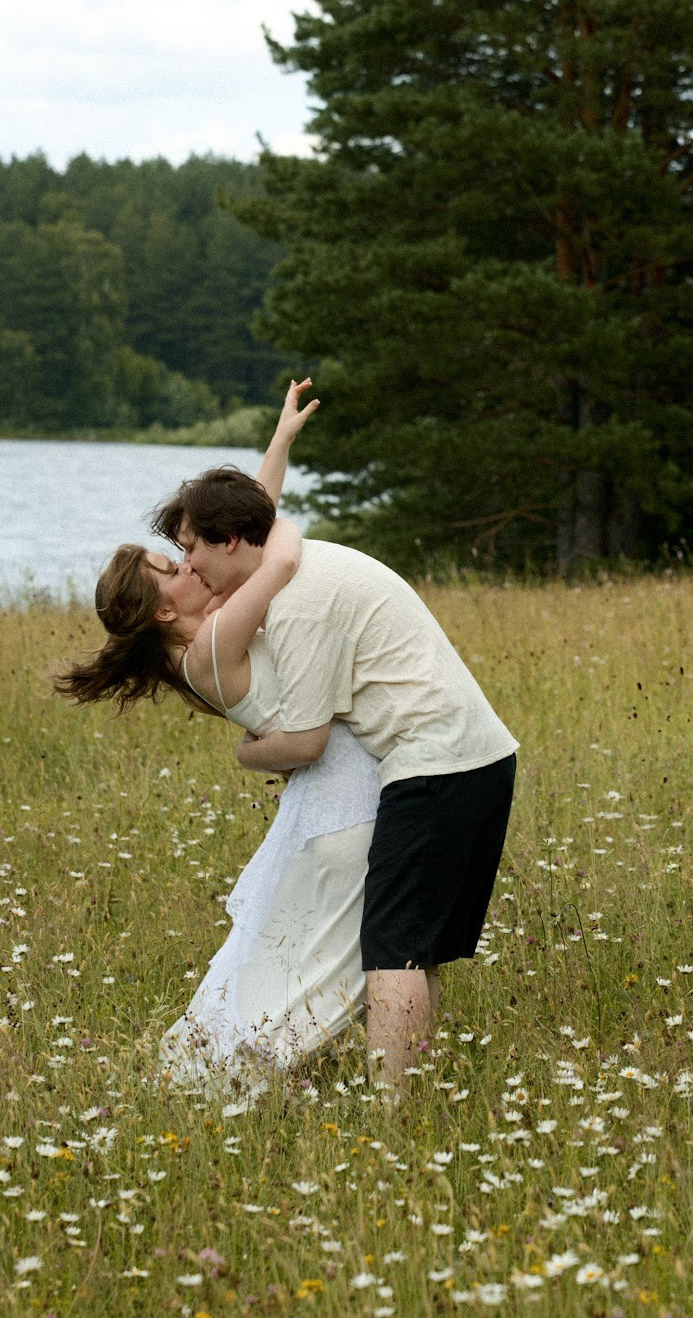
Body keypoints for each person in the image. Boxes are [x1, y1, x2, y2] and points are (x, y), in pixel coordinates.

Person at [159, 450, 517, 1099]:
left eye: (192, 550)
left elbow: (308, 739)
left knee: (392, 950)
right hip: (480, 758)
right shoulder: (299, 563)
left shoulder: (297, 603)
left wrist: (246, 751)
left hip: (434, 764)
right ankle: (413, 1093)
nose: (192, 566)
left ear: (231, 540)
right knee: (417, 947)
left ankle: (391, 1114)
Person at [57, 383, 382, 1089]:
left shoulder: (204, 628)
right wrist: (284, 526)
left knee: (297, 947)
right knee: (330, 953)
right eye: (172, 569)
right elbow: (277, 553)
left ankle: (268, 1062)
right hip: (338, 783)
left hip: (328, 784)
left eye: (183, 556)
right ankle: (256, 1068)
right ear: (162, 611)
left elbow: (245, 530)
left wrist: (280, 441)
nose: (189, 562)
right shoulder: (209, 642)